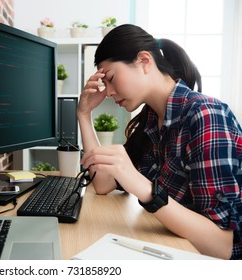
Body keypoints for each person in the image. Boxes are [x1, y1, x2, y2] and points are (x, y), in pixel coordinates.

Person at [78, 24, 242, 260]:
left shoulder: (206, 115)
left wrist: (145, 188)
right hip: (173, 248)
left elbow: (221, 246)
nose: (109, 92)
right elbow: (102, 184)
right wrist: (84, 115)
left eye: (111, 78)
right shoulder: (151, 121)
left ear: (144, 61)